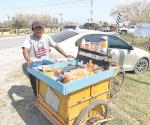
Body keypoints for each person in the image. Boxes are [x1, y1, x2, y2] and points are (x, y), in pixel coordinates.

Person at [22, 21, 72, 96]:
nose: (38, 30)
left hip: (46, 62)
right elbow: (25, 50)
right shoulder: (29, 39)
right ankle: (38, 97)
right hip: (35, 63)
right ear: (33, 30)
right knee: (36, 81)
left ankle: (58, 92)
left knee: (57, 74)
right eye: (36, 29)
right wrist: (28, 59)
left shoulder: (47, 37)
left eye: (40, 28)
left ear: (42, 29)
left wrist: (65, 55)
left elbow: (56, 46)